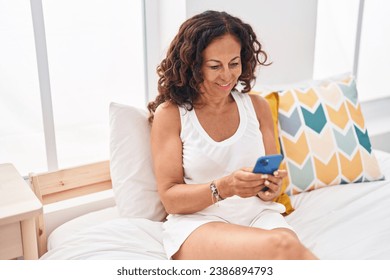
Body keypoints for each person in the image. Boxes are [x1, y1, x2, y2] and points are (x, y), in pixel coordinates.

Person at [147, 10, 317, 260]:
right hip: (200, 223)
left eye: (234, 63)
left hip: (261, 217)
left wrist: (269, 188)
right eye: (215, 66)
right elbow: (171, 198)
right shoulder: (171, 115)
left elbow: (272, 182)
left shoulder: (257, 107)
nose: (227, 75)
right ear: (193, 66)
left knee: (285, 251)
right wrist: (225, 187)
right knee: (284, 247)